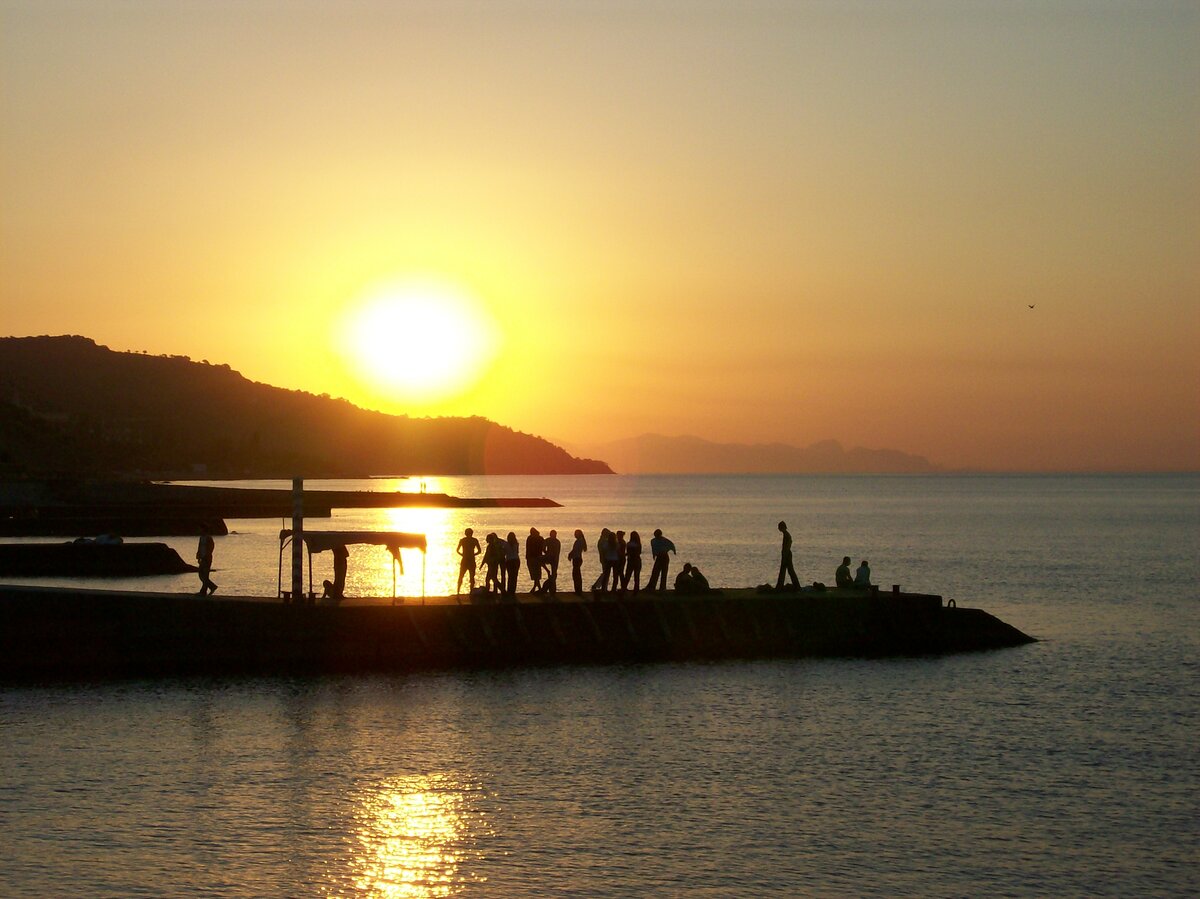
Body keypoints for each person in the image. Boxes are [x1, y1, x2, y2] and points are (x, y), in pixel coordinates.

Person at [456, 528, 482, 594]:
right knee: (471, 577)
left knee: (462, 576)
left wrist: (462, 554)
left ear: (465, 533)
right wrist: (473, 554)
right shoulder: (474, 540)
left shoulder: (462, 540)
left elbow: (457, 550)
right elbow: (479, 551)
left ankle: (458, 591)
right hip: (470, 559)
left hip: (465, 559)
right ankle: (470, 592)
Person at [776, 521, 799, 590]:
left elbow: (788, 545)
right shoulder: (785, 534)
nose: (778, 529)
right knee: (786, 571)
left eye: (779, 527)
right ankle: (781, 585)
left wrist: (785, 555)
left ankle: (796, 586)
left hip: (787, 555)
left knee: (789, 570)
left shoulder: (787, 535)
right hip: (786, 554)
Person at [622, 530, 643, 596]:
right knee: (636, 576)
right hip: (637, 560)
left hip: (631, 561)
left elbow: (628, 553)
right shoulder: (638, 544)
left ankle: (624, 589)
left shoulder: (629, 544)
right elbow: (639, 552)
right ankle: (636, 590)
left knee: (628, 575)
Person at [525, 527, 546, 593]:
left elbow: (527, 548)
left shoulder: (530, 538)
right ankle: (537, 587)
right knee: (536, 573)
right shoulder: (540, 538)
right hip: (537, 557)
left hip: (531, 558)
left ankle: (537, 588)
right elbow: (543, 548)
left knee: (534, 574)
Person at [542, 529, 561, 595]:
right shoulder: (548, 540)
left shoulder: (557, 542)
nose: (554, 536)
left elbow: (558, 552)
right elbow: (543, 548)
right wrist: (546, 553)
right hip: (550, 557)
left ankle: (552, 588)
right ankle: (551, 587)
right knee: (553, 573)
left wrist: (547, 553)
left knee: (554, 574)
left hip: (554, 559)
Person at [568, 529, 587, 594]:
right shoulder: (581, 541)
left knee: (576, 575)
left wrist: (570, 555)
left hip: (576, 559)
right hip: (578, 558)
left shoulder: (578, 541)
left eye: (575, 534)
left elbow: (574, 550)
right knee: (577, 574)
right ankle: (579, 589)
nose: (574, 535)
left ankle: (578, 590)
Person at [504, 532, 521, 597]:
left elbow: (504, 553)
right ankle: (513, 590)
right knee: (515, 576)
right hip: (516, 560)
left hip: (509, 561)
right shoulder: (516, 544)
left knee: (510, 576)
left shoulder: (506, 544)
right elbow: (517, 552)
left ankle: (509, 590)